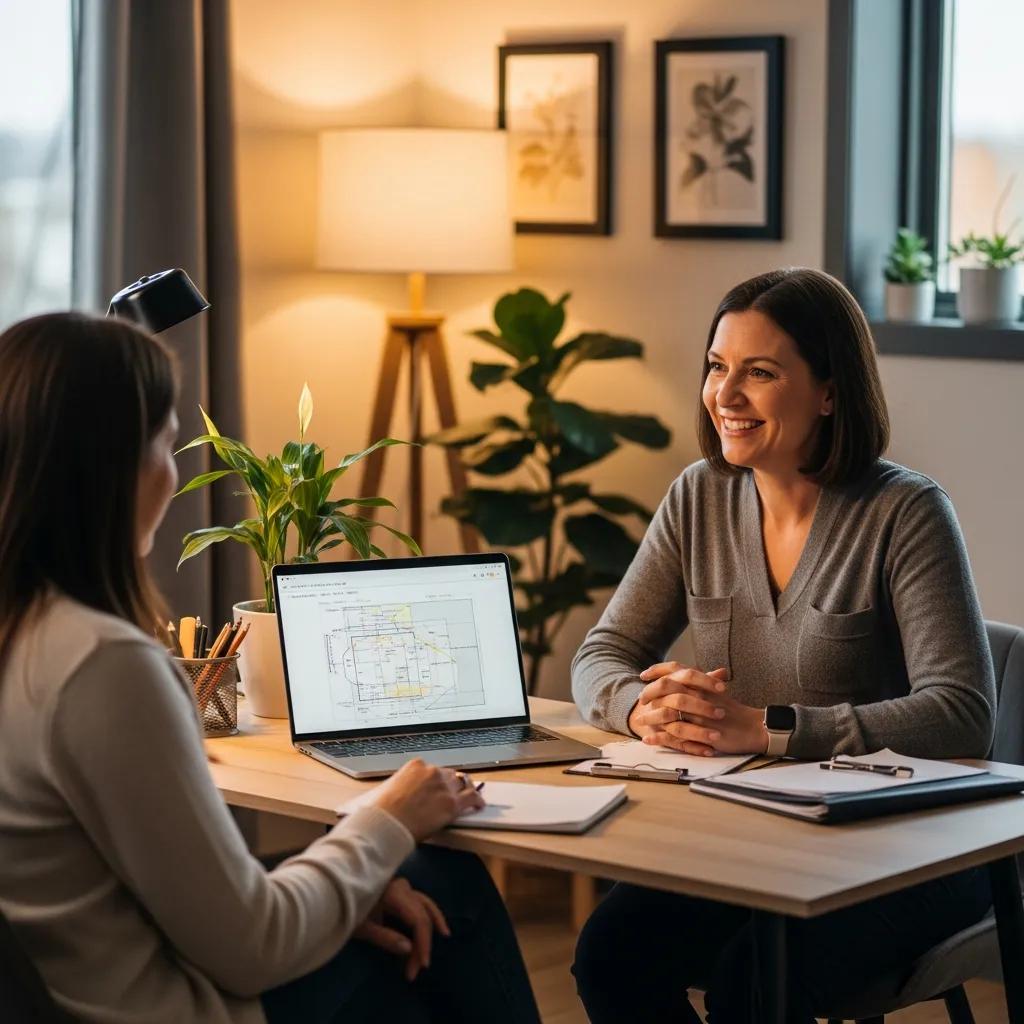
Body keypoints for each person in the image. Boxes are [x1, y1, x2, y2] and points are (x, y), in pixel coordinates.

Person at [0, 312, 541, 1024]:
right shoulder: (104, 667)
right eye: (166, 443)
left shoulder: (28, 638)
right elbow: (252, 947)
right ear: (111, 468)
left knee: (402, 904)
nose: (175, 468)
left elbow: (175, 893)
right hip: (173, 1005)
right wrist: (388, 818)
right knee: (448, 893)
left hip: (95, 979)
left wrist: (340, 886)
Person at [570, 268, 996, 1023]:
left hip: (912, 853)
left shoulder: (907, 512)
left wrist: (771, 727)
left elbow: (962, 712)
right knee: (611, 953)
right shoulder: (698, 497)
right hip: (758, 836)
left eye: (759, 373)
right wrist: (644, 708)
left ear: (830, 391)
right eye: (716, 367)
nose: (725, 396)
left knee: (751, 988)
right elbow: (601, 653)